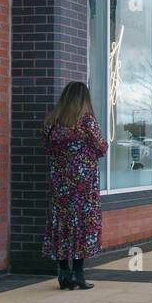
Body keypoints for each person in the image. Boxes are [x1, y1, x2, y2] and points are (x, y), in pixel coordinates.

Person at [42, 81, 109, 291]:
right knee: (82, 224)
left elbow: (47, 148)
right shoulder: (86, 121)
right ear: (84, 100)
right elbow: (101, 147)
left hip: (59, 183)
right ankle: (78, 274)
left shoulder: (52, 121)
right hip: (84, 185)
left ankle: (63, 274)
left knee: (61, 224)